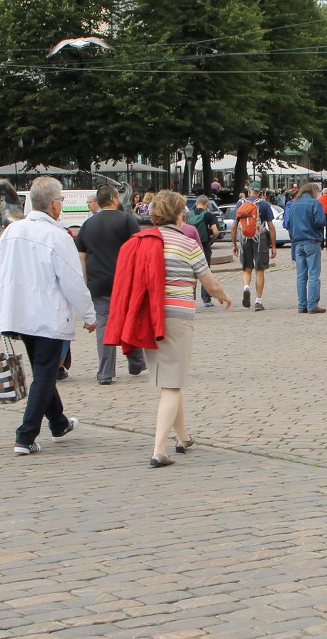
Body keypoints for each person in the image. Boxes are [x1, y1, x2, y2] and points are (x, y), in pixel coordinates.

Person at [105, 190, 230, 467]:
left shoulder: (140, 241)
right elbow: (209, 282)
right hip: (177, 317)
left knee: (173, 378)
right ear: (178, 213)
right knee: (172, 385)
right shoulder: (186, 244)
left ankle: (183, 436)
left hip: (148, 316)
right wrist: (223, 296)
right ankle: (159, 449)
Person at [0, 176, 96, 456]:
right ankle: (25, 435)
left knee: (43, 371)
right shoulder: (57, 236)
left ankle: (59, 422)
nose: (61, 204)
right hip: (47, 315)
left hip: (19, 313)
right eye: (61, 199)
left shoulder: (12, 231)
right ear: (53, 205)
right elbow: (72, 280)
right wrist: (88, 313)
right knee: (45, 375)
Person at [74, 185, 141, 385]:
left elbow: (81, 256)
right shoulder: (127, 220)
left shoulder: (88, 225)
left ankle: (105, 372)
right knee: (129, 319)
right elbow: (138, 248)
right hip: (123, 280)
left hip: (98, 281)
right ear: (113, 198)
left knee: (103, 323)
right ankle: (136, 360)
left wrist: (86, 283)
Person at [230, 183, 276, 311]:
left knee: (246, 268)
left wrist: (234, 244)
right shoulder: (264, 205)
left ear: (249, 191)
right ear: (259, 192)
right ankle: (258, 301)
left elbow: (234, 226)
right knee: (260, 270)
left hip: (244, 237)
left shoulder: (240, 203)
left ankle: (246, 287)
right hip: (259, 237)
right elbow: (271, 226)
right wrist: (273, 246)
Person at [287, 182, 327, 314]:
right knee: (314, 274)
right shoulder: (315, 203)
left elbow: (288, 223)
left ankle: (301, 305)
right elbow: (321, 221)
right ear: (313, 191)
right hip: (312, 240)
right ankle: (312, 304)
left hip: (297, 242)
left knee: (301, 276)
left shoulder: (294, 204)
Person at [185, 195, 219, 307]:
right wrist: (211, 240)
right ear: (206, 204)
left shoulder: (188, 214)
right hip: (204, 245)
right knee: (205, 271)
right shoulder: (208, 215)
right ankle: (206, 299)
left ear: (196, 203)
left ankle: (191, 298)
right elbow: (215, 231)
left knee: (191, 272)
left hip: (189, 246)